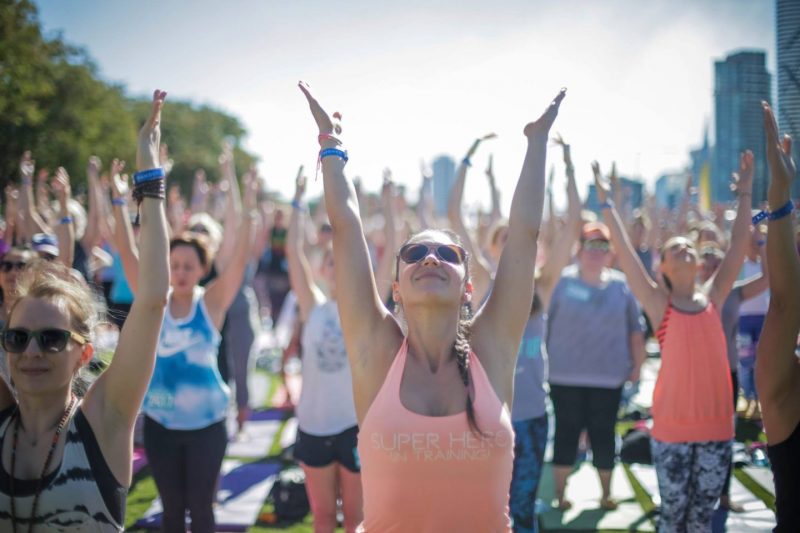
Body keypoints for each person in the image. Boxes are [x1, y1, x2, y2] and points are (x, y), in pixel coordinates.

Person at [300, 81, 565, 531]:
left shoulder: (492, 349)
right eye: (415, 253)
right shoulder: (376, 352)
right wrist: (332, 147)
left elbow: (523, 234)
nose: (430, 257)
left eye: (447, 254)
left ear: (467, 287)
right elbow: (346, 229)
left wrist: (536, 143)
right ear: (396, 287)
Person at [0, 90, 170, 531]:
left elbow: (152, 300)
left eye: (52, 338)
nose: (31, 351)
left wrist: (149, 175)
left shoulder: (104, 420)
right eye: (18, 337)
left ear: (84, 352)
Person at [594, 145, 753, 531]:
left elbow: (736, 249)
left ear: (698, 264)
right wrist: (607, 206)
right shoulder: (658, 304)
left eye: (689, 248)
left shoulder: (714, 297)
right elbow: (628, 256)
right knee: (673, 518)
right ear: (663, 267)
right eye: (674, 248)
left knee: (701, 518)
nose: (684, 248)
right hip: (672, 431)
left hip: (717, 429)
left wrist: (746, 192)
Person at [113, 125, 258, 533]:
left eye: (188, 266)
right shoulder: (152, 302)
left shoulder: (211, 303)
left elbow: (241, 250)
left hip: (208, 427)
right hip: (160, 425)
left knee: (203, 511)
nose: (179, 272)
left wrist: (244, 201)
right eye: (173, 265)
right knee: (172, 515)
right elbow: (126, 250)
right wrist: (118, 201)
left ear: (202, 269)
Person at [545, 216, 646, 511]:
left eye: (603, 244)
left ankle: (605, 494)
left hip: (608, 377)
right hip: (564, 376)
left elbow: (635, 331)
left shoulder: (621, 286)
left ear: (611, 252)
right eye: (591, 243)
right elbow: (544, 325)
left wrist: (637, 366)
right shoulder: (561, 282)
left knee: (604, 435)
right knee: (566, 433)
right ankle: (560, 495)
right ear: (580, 249)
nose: (596, 250)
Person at [509, 134, 581, 532]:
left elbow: (573, 222)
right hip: (493, 416)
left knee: (525, 503)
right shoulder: (490, 286)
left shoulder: (543, 286)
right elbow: (454, 215)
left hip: (534, 414)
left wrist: (568, 165)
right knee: (493, 505)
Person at [286, 173, 362, 533]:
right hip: (313, 426)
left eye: (343, 260)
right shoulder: (312, 307)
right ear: (322, 269)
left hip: (354, 427)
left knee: (357, 518)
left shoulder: (365, 308)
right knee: (323, 518)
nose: (337, 266)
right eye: (331, 261)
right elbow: (292, 252)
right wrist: (298, 202)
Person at [755, 101, 800, 533]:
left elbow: (787, 302)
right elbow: (786, 302)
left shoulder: (784, 395)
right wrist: (779, 198)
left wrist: (781, 197)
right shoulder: (787, 393)